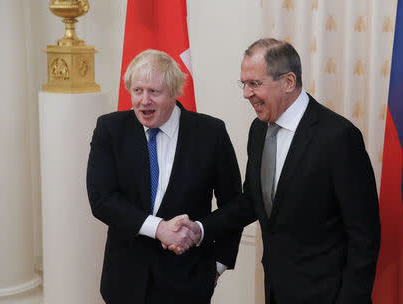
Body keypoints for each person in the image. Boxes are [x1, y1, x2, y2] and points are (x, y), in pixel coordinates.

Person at [174, 38, 381, 304]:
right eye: (244, 83)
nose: (246, 93)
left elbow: (364, 235)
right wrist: (199, 228)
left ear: (288, 82)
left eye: (255, 84)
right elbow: (251, 201)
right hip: (276, 291)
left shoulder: (338, 137)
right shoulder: (259, 130)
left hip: (328, 294)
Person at [86, 49, 242, 304]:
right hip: (125, 282)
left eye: (154, 92)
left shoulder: (210, 133)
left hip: (189, 282)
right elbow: (102, 200)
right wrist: (159, 229)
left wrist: (218, 265)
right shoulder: (110, 129)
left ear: (173, 92)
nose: (143, 101)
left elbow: (234, 204)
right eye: (137, 90)